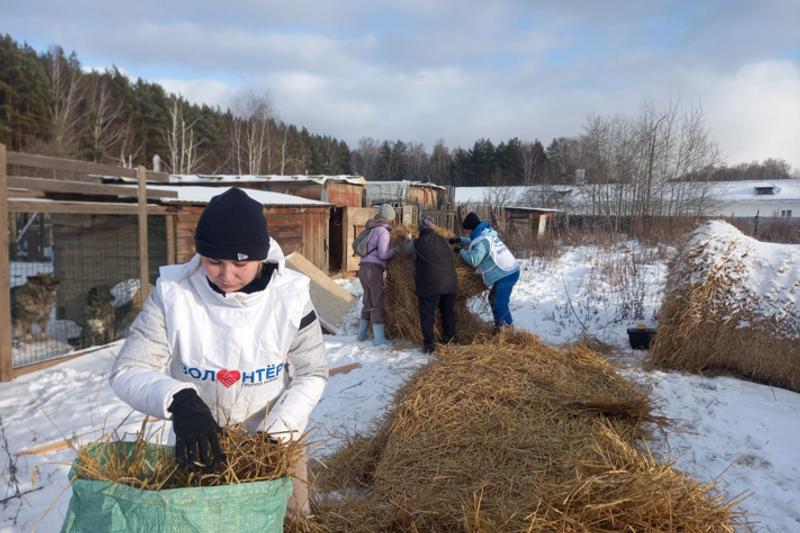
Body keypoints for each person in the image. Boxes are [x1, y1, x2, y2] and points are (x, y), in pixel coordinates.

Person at [109, 187, 327, 518]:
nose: (226, 275)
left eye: (240, 263)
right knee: (205, 520)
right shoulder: (174, 294)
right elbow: (129, 369)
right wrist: (181, 403)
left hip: (275, 442)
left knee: (288, 517)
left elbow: (312, 372)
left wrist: (277, 434)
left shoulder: (290, 297)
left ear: (259, 254)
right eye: (214, 262)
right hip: (201, 442)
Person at [451, 211, 520, 332]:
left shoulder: (482, 241)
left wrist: (460, 251)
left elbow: (474, 260)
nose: (466, 232)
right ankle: (499, 327)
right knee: (492, 299)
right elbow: (475, 242)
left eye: (467, 230)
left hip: (507, 274)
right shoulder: (486, 232)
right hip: (508, 270)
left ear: (471, 228)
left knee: (500, 303)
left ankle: (508, 332)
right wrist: (459, 239)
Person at [410, 216, 457, 354]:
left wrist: (407, 239)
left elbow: (406, 250)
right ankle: (450, 339)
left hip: (432, 284)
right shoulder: (443, 240)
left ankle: (429, 344)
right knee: (447, 312)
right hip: (450, 283)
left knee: (427, 314)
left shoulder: (418, 243)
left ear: (420, 228)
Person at [356, 203, 396, 346]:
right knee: (377, 302)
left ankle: (361, 335)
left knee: (368, 301)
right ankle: (378, 340)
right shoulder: (383, 231)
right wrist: (396, 250)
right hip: (373, 271)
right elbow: (383, 254)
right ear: (389, 218)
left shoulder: (371, 227)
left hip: (363, 269)